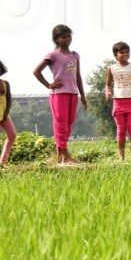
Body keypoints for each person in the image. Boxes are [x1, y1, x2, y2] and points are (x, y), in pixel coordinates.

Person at [33, 24, 88, 165]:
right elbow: (36, 71)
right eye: (63, 37)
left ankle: (60, 153)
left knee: (69, 123)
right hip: (59, 94)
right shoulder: (53, 55)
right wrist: (49, 85)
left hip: (73, 93)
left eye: (69, 36)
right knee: (61, 123)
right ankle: (65, 155)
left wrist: (83, 95)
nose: (67, 39)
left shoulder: (75, 55)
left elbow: (78, 76)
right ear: (56, 39)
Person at [104, 41, 131, 161]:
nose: (125, 54)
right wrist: (108, 92)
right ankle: (121, 157)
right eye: (122, 52)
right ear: (116, 55)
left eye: (127, 52)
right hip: (118, 103)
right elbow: (107, 84)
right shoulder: (111, 68)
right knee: (121, 130)